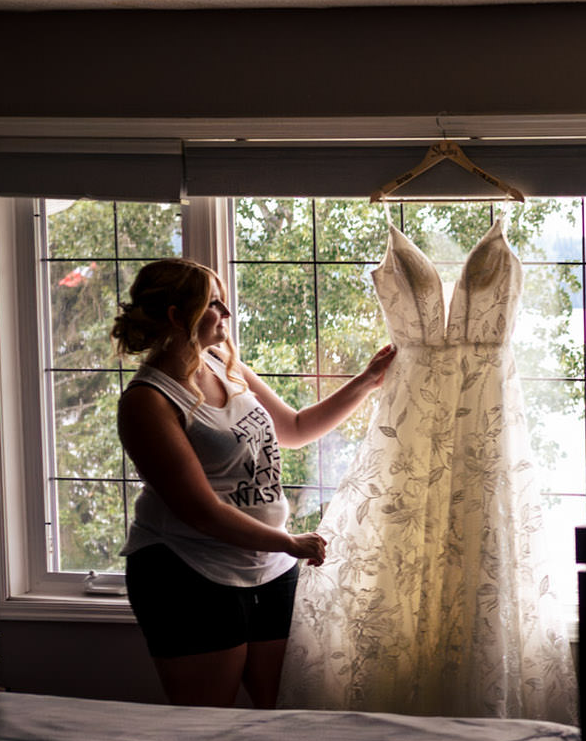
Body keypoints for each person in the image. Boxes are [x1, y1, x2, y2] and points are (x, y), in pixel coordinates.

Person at [110, 258, 395, 708]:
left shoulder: (223, 362)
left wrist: (367, 382)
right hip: (188, 571)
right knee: (208, 725)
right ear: (175, 315)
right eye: (213, 303)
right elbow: (201, 512)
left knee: (282, 709)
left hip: (269, 567)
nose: (226, 312)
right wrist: (288, 542)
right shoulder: (148, 401)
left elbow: (296, 428)